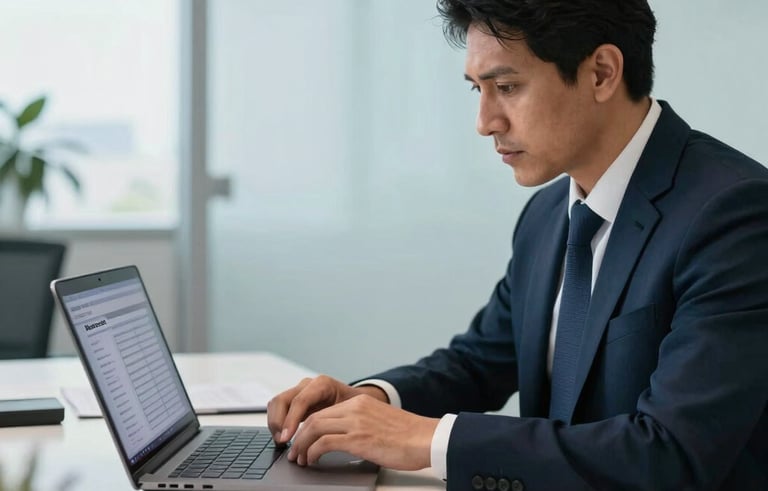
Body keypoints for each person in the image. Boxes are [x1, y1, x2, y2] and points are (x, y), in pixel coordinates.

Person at [267, 1, 768, 489]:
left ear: (601, 73)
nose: (485, 122)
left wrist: (431, 438)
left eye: (506, 87)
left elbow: (668, 453)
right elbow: (481, 359)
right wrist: (372, 400)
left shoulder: (733, 214)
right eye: (477, 90)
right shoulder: (549, 213)